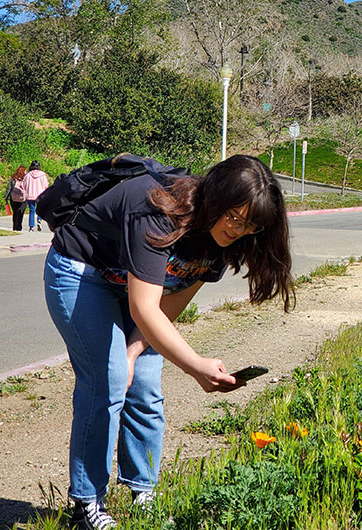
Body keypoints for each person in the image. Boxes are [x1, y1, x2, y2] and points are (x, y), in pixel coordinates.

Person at [43, 154, 293, 530]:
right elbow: (145, 308)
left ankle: (143, 493)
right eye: (234, 217)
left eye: (249, 225)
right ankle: (86, 503)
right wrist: (196, 366)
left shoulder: (221, 241)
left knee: (143, 384)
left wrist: (133, 351)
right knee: (107, 380)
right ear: (215, 198)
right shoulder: (156, 207)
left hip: (133, 289)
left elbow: (170, 300)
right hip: (82, 273)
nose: (237, 230)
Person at [22, 160, 50, 232]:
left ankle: (31, 227)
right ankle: (39, 220)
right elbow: (46, 185)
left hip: (30, 195)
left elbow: (24, 185)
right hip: (40, 195)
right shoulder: (42, 175)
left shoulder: (28, 175)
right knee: (40, 209)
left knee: (32, 210)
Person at [4, 166, 28, 231]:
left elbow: (9, 188)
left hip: (13, 198)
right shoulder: (26, 179)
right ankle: (18, 226)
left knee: (15, 213)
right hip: (23, 199)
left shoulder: (13, 178)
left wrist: (6, 197)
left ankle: (14, 226)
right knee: (20, 212)